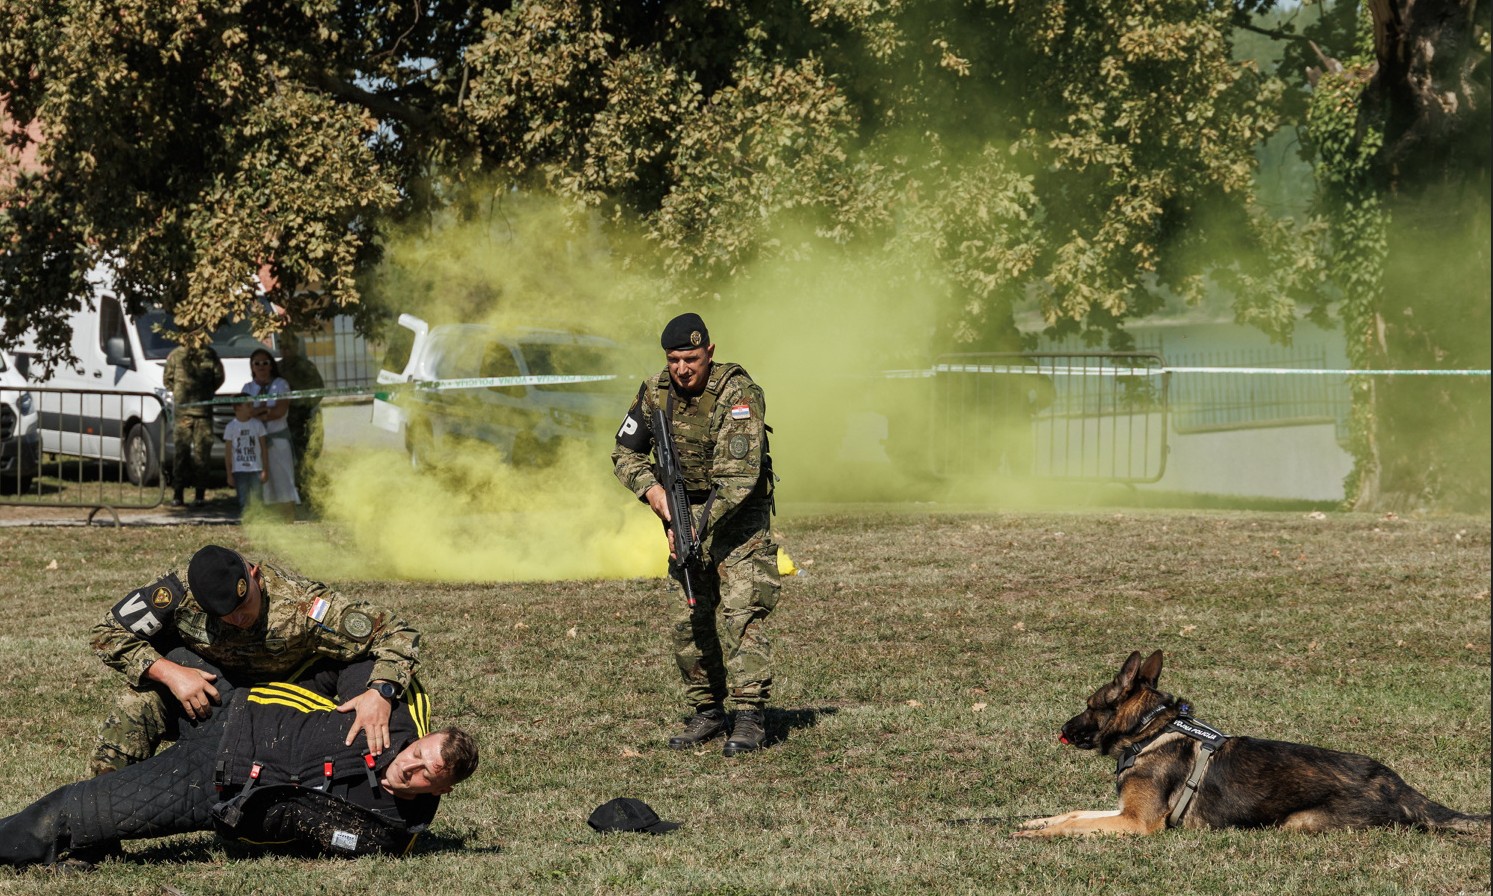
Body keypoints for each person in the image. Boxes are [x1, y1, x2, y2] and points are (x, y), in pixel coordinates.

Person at [0, 656, 478, 869]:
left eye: (424, 774)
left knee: (75, 814)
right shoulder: (395, 718)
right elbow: (365, 656)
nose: (407, 766)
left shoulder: (392, 831)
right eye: (417, 754)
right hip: (234, 704)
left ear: (441, 790)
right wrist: (380, 692)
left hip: (215, 785)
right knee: (175, 638)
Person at [87, 544, 422, 776]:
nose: (237, 620)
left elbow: (397, 632)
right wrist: (169, 673)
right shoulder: (178, 590)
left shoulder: (302, 606)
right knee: (136, 703)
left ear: (254, 574)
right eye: (224, 615)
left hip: (281, 706)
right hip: (204, 692)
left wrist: (383, 690)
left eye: (242, 605)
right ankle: (92, 819)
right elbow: (106, 632)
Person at [611, 312, 781, 757]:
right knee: (688, 618)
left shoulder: (737, 393)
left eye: (691, 358)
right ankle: (707, 710)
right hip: (683, 514)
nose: (683, 369)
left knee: (742, 616)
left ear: (710, 352)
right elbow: (624, 452)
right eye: (673, 360)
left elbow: (738, 479)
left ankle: (748, 716)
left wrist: (690, 525)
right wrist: (655, 495)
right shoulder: (654, 393)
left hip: (738, 521)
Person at [162, 337, 224, 507]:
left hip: (203, 414)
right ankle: (178, 493)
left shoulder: (210, 355)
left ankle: (199, 495)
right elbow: (167, 380)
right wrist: (180, 394)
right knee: (180, 453)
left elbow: (218, 378)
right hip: (183, 414)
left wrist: (206, 393)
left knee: (202, 455)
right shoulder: (176, 355)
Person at [243, 348, 299, 521]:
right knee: (262, 485)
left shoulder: (281, 384)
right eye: (257, 363)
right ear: (252, 367)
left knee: (283, 480)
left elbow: (279, 411)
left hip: (278, 440)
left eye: (265, 363)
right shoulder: (247, 387)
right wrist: (266, 409)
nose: (261, 366)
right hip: (256, 443)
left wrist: (257, 411)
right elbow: (245, 413)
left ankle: (288, 519)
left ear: (271, 365)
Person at [278, 331, 325, 511]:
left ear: (296, 347)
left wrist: (301, 405)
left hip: (304, 421)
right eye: (282, 347)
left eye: (288, 347)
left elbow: (318, 391)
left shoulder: (306, 367)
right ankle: (291, 495)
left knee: (306, 460)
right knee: (285, 461)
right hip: (282, 421)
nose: (285, 350)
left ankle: (309, 495)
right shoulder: (278, 368)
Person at [223, 398, 268, 515]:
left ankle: (260, 523)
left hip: (256, 469)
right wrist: (229, 474)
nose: (252, 408)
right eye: (248, 405)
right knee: (244, 500)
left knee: (258, 499)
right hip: (239, 471)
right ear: (238, 408)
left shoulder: (257, 425)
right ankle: (247, 522)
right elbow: (228, 453)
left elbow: (264, 449)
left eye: (252, 405)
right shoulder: (231, 427)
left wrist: (265, 470)